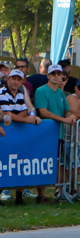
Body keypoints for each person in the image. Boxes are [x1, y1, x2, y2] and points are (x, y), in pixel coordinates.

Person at [34, 64, 76, 204]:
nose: (57, 76)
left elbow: (66, 110)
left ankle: (61, 191)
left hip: (60, 134)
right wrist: (64, 119)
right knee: (44, 164)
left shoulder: (60, 93)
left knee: (61, 163)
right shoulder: (41, 91)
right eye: (54, 74)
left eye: (59, 74)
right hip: (45, 135)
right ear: (48, 76)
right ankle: (41, 195)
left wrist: (71, 116)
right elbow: (43, 112)